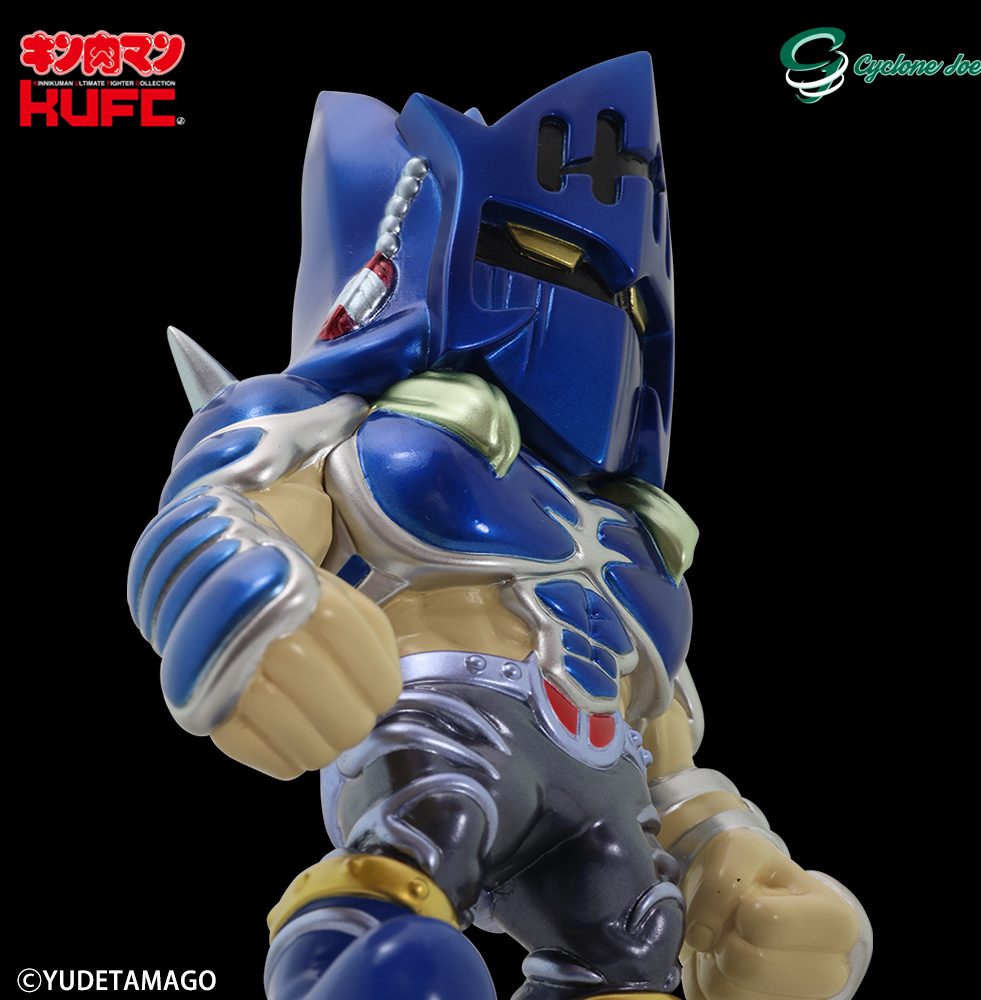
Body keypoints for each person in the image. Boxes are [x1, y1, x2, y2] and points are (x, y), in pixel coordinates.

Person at [128, 54, 870, 1000]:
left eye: (622, 296)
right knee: (412, 866)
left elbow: (670, 756)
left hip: (604, 795)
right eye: (542, 255)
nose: (596, 306)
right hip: (447, 727)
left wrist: (736, 865)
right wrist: (248, 603)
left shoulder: (633, 537)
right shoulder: (349, 431)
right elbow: (223, 511)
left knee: (630, 954)